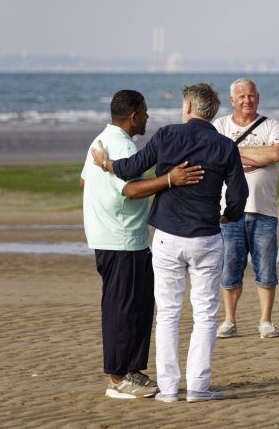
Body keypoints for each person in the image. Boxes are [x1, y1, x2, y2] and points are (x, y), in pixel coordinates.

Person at [91, 83, 248, 403]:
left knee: (169, 313)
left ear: (188, 108)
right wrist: (229, 216)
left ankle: (167, 388)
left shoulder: (166, 135)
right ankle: (199, 388)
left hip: (167, 236)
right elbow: (238, 196)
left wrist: (107, 164)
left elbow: (132, 168)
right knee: (205, 314)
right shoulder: (224, 146)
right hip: (206, 237)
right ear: (212, 112)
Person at [81, 89, 204, 399]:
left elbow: (85, 181)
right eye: (146, 112)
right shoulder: (121, 145)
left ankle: (132, 371)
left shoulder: (102, 140)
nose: (148, 117)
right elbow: (132, 190)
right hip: (121, 239)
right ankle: (118, 378)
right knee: (122, 309)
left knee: (137, 307)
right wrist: (169, 180)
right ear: (134, 116)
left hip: (115, 236)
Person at [214, 78, 279, 339]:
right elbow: (215, 157)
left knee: (266, 269)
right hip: (229, 212)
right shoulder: (220, 125)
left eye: (251, 95)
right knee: (229, 269)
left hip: (265, 210)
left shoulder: (271, 124)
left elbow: (275, 154)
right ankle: (230, 321)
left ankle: (265, 321)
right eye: (241, 96)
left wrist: (232, 152)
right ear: (232, 100)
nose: (247, 100)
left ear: (258, 97)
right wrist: (257, 153)